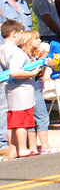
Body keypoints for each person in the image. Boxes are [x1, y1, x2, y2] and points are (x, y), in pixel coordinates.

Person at [1, 19, 42, 159]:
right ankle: (23, 149)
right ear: (13, 34)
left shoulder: (3, 49)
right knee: (22, 121)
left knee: (12, 123)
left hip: (11, 90)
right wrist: (34, 72)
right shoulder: (16, 52)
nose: (22, 37)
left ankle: (13, 150)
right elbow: (14, 72)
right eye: (21, 33)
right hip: (22, 90)